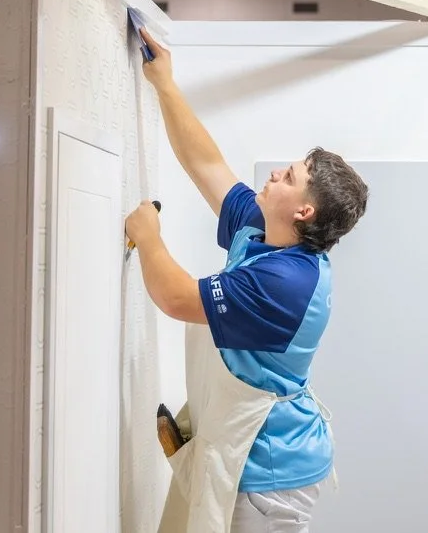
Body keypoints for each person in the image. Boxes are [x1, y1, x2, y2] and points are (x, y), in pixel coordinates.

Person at [124, 28, 368, 533]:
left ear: (303, 211)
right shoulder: (266, 231)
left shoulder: (286, 283)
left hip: (271, 477)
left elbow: (176, 297)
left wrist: (148, 235)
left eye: (290, 176)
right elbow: (207, 165)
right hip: (248, 454)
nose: (276, 173)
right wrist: (164, 82)